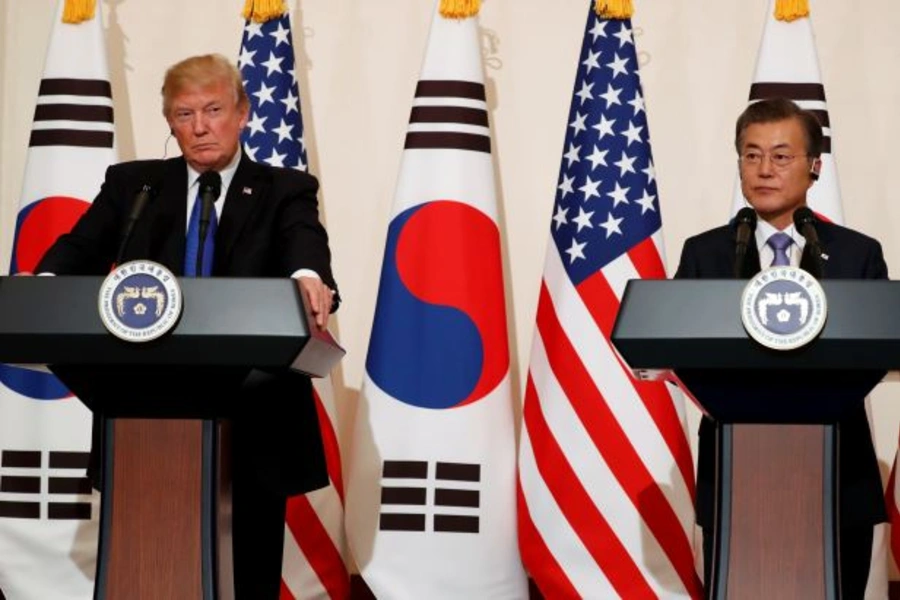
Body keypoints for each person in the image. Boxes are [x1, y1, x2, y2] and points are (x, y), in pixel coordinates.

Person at [33, 53, 339, 599]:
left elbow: (303, 244)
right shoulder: (136, 187)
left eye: (214, 109)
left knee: (247, 576)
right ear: (170, 122)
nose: (199, 127)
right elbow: (78, 249)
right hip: (144, 409)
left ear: (243, 112)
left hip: (253, 413)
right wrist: (45, 280)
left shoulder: (283, 188)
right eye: (183, 114)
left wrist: (307, 274)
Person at [675, 97, 887, 599]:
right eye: (751, 155)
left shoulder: (858, 254)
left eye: (780, 156)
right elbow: (677, 344)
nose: (764, 169)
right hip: (736, 475)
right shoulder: (705, 253)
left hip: (839, 477)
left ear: (814, 167)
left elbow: (879, 347)